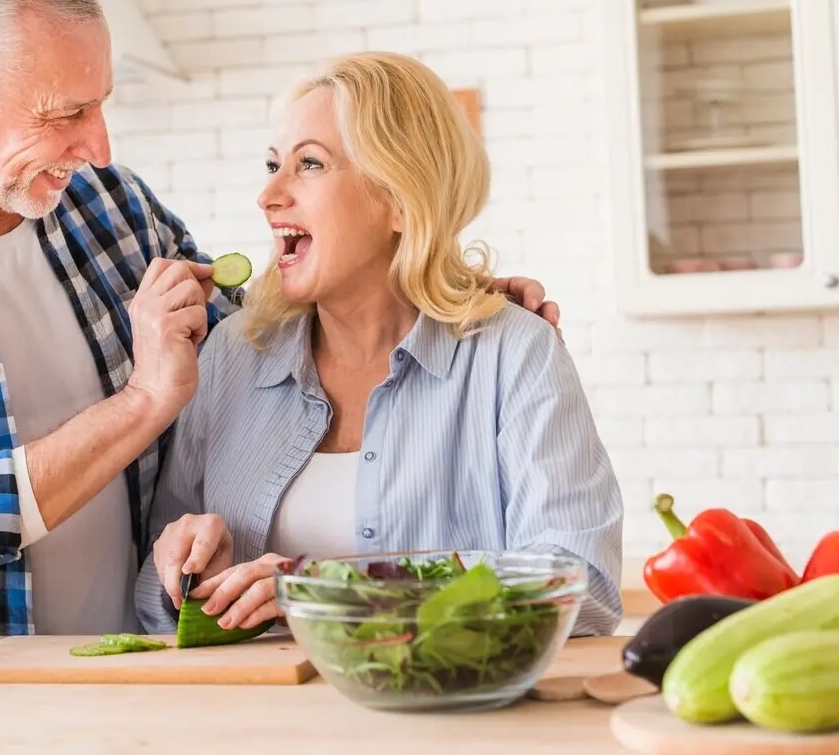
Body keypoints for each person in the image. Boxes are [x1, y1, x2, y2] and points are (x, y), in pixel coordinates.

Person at [0, 0, 562, 637]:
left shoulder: (109, 207)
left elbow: (264, 342)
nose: (98, 146)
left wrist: (455, 297)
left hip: (130, 665)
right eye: (64, 114)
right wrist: (143, 402)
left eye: (100, 105)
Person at [136, 51, 623, 639]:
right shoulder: (232, 355)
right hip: (259, 722)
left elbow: (580, 583)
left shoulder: (514, 354)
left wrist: (338, 592)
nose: (269, 196)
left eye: (309, 164)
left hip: (441, 722)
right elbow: (151, 599)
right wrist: (187, 579)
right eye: (272, 165)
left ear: (398, 197)